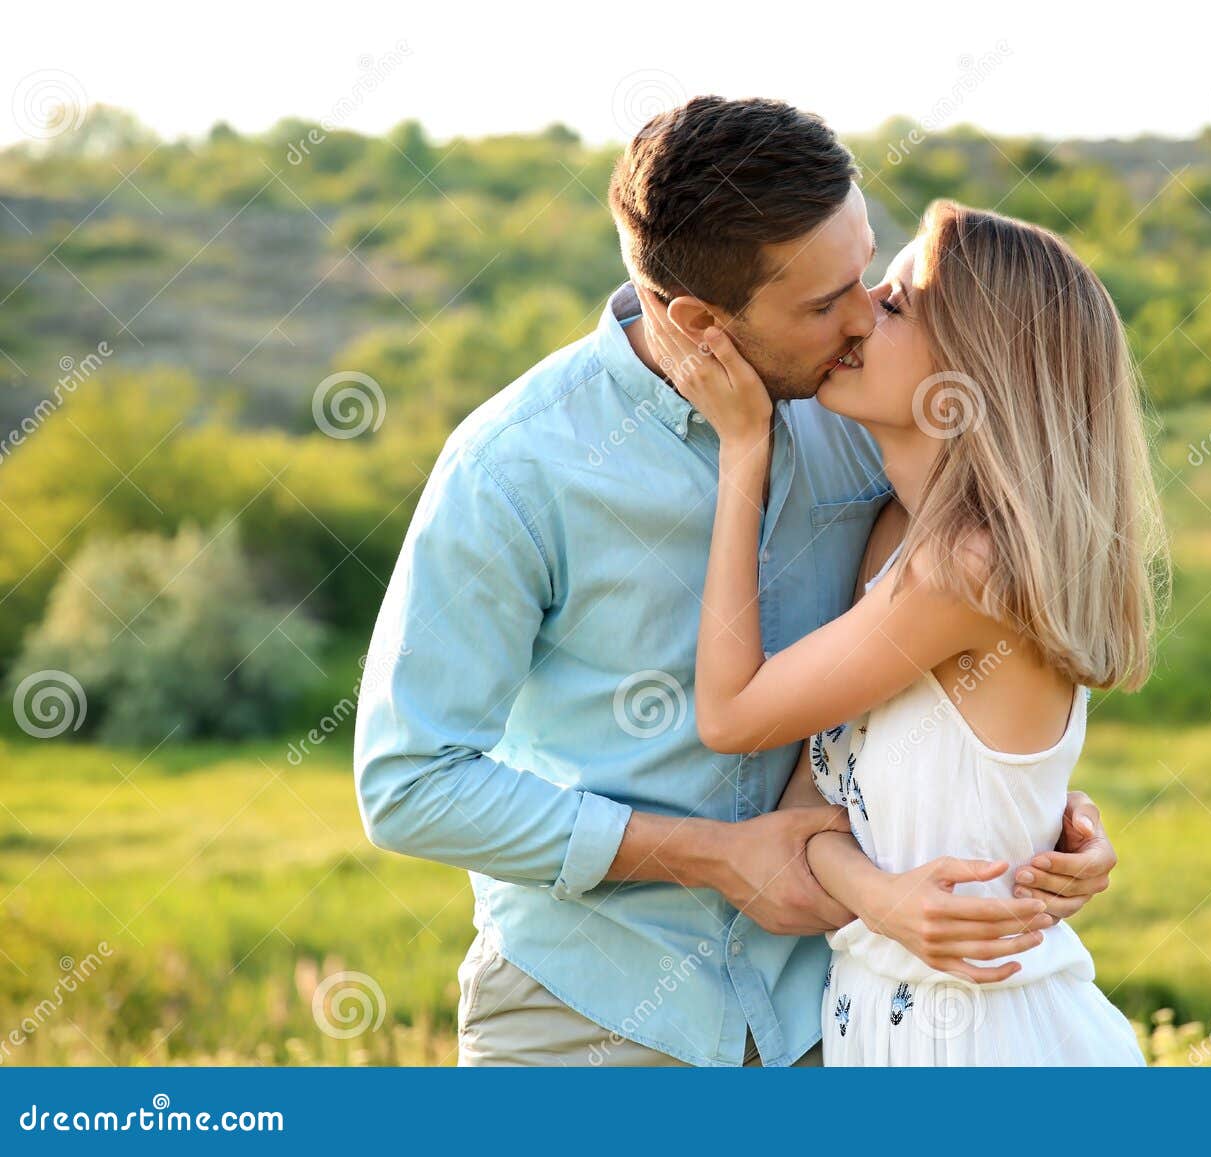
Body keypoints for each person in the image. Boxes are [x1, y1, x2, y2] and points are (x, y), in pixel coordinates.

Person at [354, 97, 1121, 1068]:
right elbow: (409, 782)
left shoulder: (872, 412)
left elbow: (960, 632)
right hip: (589, 1012)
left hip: (833, 1012)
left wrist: (1037, 813)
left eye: (867, 274)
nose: (859, 318)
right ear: (699, 321)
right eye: (821, 304)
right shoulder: (514, 469)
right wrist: (714, 856)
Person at [651, 198, 1164, 1064]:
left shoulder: (964, 571)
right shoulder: (900, 538)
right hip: (885, 1024)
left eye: (893, 304)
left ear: (975, 368)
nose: (858, 314)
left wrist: (747, 449)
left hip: (988, 1040)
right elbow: (820, 812)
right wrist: (881, 897)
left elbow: (731, 714)